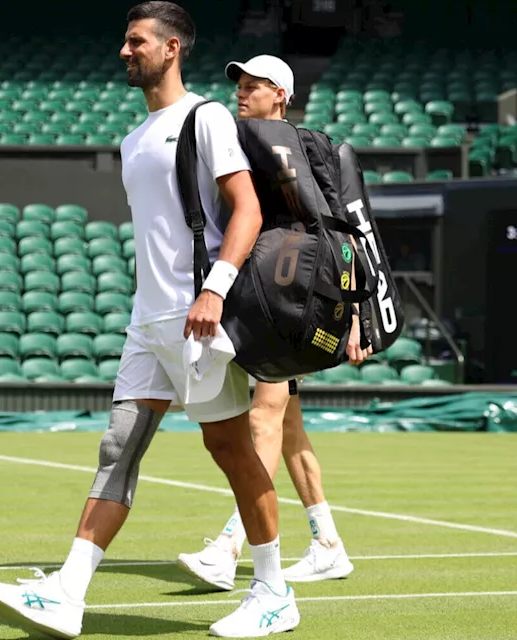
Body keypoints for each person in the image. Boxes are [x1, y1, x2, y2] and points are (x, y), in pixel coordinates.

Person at [0, 4, 299, 638]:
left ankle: (273, 591)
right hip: (149, 322)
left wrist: (214, 291)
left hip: (199, 316)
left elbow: (247, 211)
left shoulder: (206, 119)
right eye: (126, 42)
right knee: (118, 447)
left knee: (231, 451)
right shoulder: (132, 138)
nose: (125, 52)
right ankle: (68, 590)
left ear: (172, 47)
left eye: (136, 42)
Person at [176, 54, 370, 593]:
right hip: (270, 299)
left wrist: (356, 314)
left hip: (292, 304)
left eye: (254, 86)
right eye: (239, 85)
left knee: (262, 419)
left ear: (280, 95)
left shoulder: (300, 150)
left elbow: (342, 234)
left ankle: (229, 546)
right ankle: (328, 544)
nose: (242, 93)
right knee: (288, 429)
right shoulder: (250, 147)